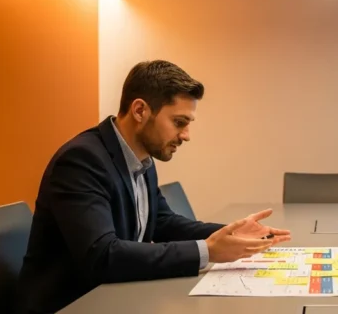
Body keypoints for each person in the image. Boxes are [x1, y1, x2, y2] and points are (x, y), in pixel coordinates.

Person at [17, 60, 292, 313]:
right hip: (72, 305)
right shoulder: (82, 160)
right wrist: (207, 251)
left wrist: (230, 233)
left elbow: (162, 222)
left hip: (114, 298)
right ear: (140, 110)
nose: (186, 135)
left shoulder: (142, 159)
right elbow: (102, 256)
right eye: (179, 122)